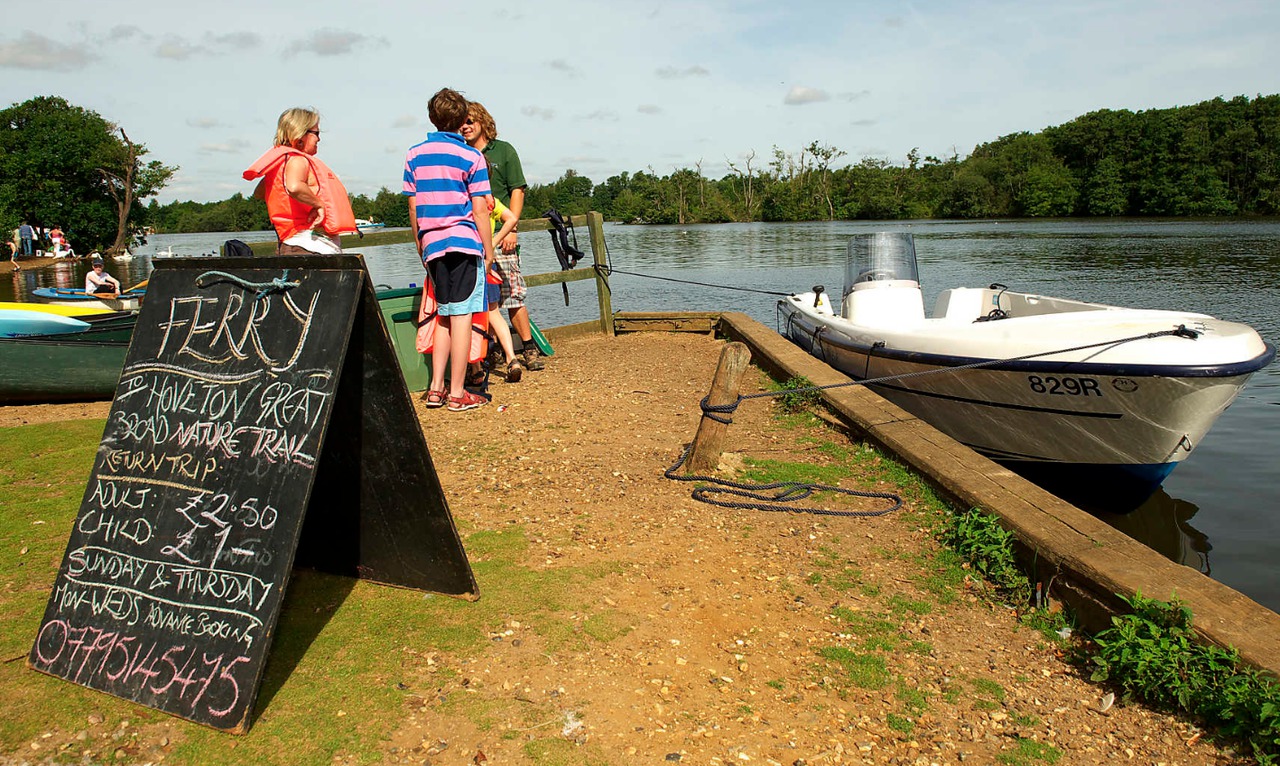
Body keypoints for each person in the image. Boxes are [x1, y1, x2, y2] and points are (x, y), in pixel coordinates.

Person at [404, 89, 496, 413]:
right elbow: (481, 210)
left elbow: (413, 206)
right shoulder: (473, 157)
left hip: (431, 244)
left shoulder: (414, 155)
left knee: (442, 313)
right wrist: (488, 249)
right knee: (462, 316)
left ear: (432, 117)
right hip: (464, 242)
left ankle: (435, 389)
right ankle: (458, 392)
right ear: (461, 120)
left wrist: (420, 241)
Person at [460, 102, 545, 372]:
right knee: (485, 299)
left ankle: (528, 347)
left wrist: (514, 229)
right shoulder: (460, 152)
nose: (466, 126)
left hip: (502, 233)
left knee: (512, 294)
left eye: (471, 120)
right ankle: (491, 351)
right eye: (462, 121)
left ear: (483, 121)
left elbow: (517, 190)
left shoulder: (504, 150)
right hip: (473, 240)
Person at [244, 108, 357, 254]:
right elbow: (294, 187)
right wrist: (318, 204)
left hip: (291, 245)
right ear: (300, 134)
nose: (319, 139)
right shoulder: (298, 160)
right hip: (307, 246)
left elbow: (259, 193)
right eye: (316, 133)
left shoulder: (281, 166)